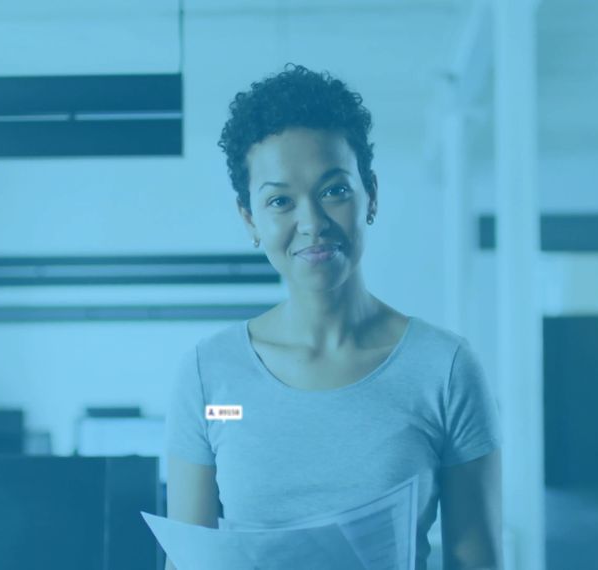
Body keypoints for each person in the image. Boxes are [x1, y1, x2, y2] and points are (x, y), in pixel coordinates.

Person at [165, 64, 502, 570]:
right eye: (280, 200)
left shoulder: (446, 368)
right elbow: (187, 562)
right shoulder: (206, 374)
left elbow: (475, 559)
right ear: (250, 220)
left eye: (334, 190)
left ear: (371, 194)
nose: (312, 224)